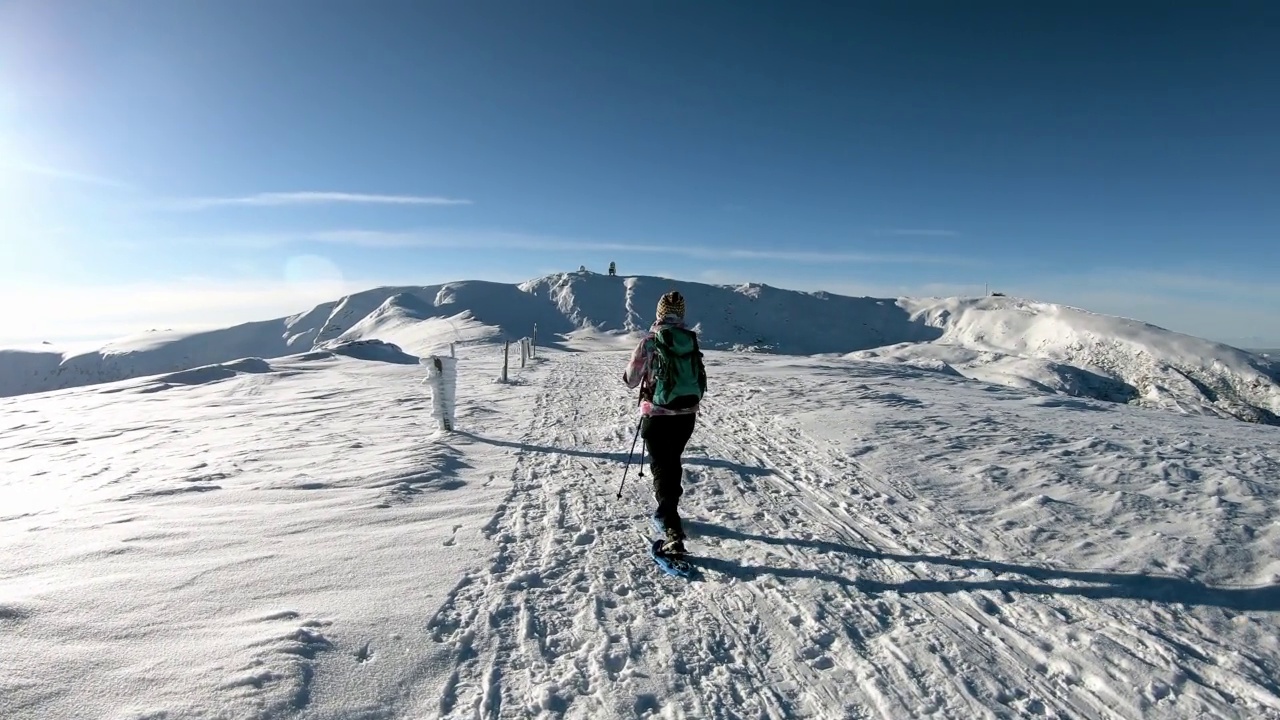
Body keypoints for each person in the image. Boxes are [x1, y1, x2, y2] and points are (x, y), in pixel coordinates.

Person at [622, 291, 707, 554]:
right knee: (673, 461)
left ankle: (670, 524)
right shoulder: (690, 340)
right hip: (687, 413)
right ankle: (669, 510)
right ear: (681, 314)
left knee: (661, 466)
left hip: (658, 414)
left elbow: (631, 379)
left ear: (659, 313)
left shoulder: (649, 342)